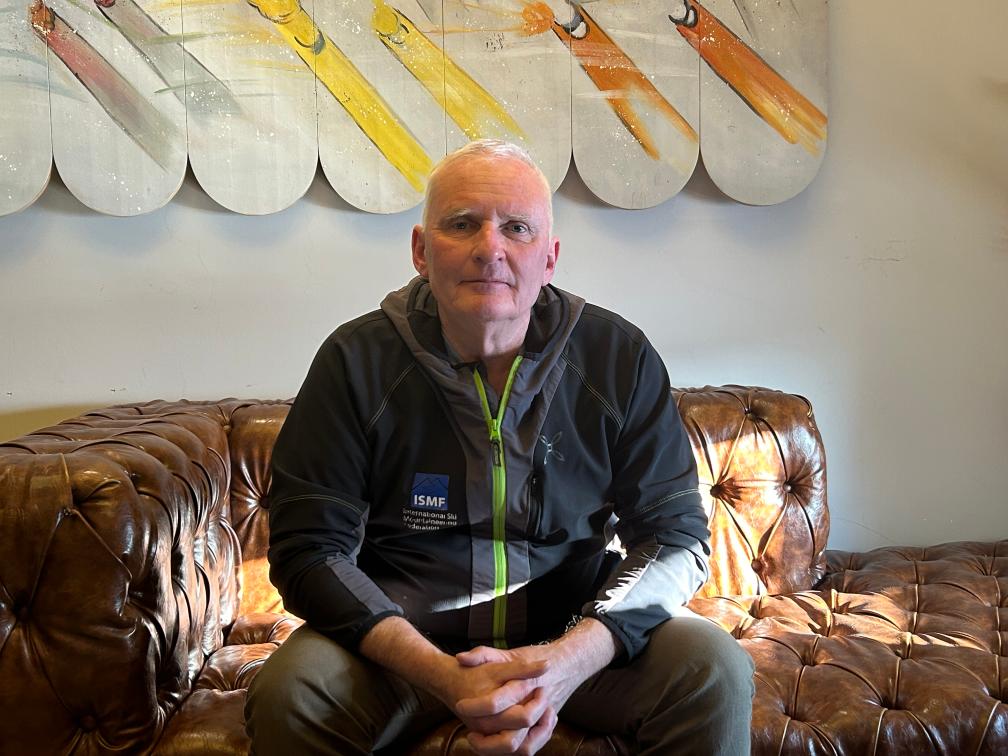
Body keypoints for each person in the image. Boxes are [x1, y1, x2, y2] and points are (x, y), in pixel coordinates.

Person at [245, 140, 754, 755]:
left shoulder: (618, 359)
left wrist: (565, 662)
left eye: (516, 228)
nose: (491, 248)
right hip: (404, 650)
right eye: (462, 224)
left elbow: (676, 540)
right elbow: (309, 551)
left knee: (713, 668)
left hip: (571, 638)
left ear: (549, 257)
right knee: (293, 692)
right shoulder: (354, 362)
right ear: (420, 250)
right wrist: (443, 675)